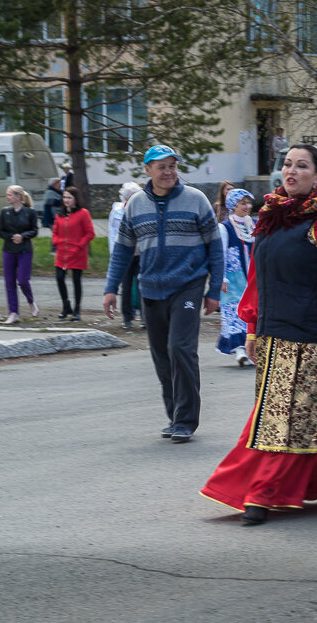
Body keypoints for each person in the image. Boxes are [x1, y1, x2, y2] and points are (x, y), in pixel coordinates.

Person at [201, 144, 317, 525]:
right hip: (272, 334)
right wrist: (250, 326)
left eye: (301, 166)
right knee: (298, 415)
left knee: (286, 419)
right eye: (287, 164)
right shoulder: (272, 215)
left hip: (311, 336)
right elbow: (256, 277)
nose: (291, 171)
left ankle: (260, 494)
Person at [103, 144, 224, 444]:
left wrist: (214, 290)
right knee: (161, 355)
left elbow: (215, 247)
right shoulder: (135, 205)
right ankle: (174, 416)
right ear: (148, 170)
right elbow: (122, 251)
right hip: (151, 288)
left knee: (180, 348)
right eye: (161, 166)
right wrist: (110, 289)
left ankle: (185, 419)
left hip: (188, 284)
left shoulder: (196, 200)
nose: (168, 171)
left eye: (172, 165)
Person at [216, 188, 255, 366]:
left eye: (248, 203)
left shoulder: (254, 224)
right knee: (234, 311)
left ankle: (250, 349)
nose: (248, 206)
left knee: (252, 311)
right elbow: (221, 254)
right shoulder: (225, 227)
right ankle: (239, 349)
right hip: (234, 277)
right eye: (243, 203)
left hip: (252, 277)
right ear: (233, 205)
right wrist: (222, 277)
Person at [0, 185, 40, 324]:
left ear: (18, 197)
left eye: (10, 194)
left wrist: (23, 236)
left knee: (22, 280)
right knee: (9, 282)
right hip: (8, 250)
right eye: (7, 194)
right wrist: (12, 237)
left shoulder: (30, 212)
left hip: (24, 250)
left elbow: (34, 230)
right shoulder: (4, 212)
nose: (7, 197)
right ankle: (13, 312)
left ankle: (31, 301)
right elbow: (0, 231)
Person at [53, 186, 94, 322]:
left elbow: (90, 233)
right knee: (59, 278)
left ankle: (77, 309)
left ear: (75, 199)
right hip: (62, 253)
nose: (66, 200)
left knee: (76, 281)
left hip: (77, 253)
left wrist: (79, 245)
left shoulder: (83, 213)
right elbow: (55, 232)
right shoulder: (60, 214)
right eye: (64, 197)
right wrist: (58, 243)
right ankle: (66, 306)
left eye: (69, 197)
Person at [109, 182, 144, 329]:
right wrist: (114, 254)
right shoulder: (117, 212)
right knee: (127, 285)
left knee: (144, 285)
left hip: (141, 252)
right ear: (126, 198)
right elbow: (112, 234)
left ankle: (145, 317)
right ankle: (127, 317)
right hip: (126, 253)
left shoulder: (142, 210)